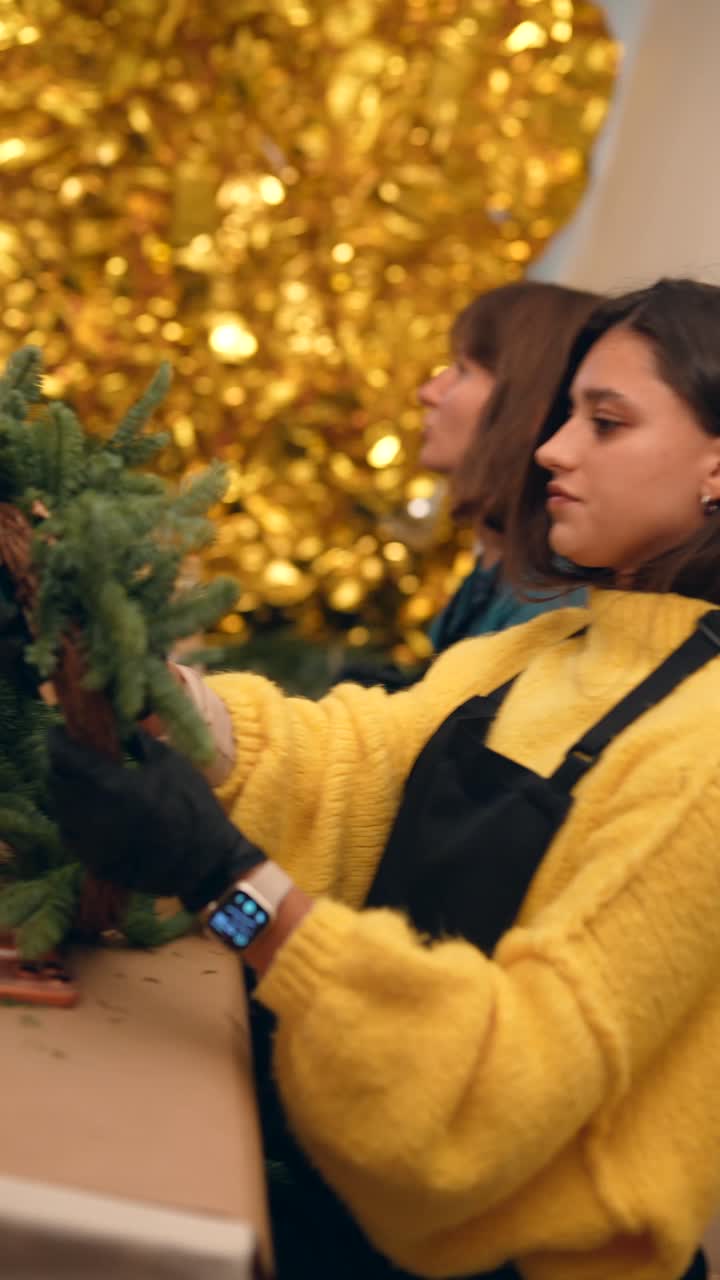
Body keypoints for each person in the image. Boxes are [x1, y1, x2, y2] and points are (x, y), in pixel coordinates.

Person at [46, 278, 720, 1280]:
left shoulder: (703, 754)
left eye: (606, 422)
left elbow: (495, 1093)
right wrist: (157, 693)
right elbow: (347, 764)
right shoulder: (544, 648)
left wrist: (227, 884)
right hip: (348, 1211)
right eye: (567, 411)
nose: (550, 449)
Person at [418, 281, 597, 649]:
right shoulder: (505, 563)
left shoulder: (552, 601)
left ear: (529, 402)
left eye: (463, 370)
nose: (429, 391)